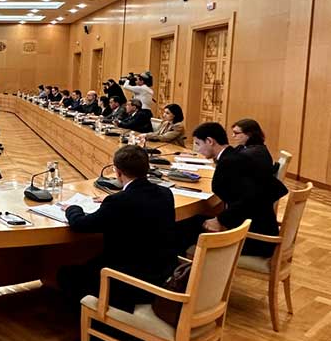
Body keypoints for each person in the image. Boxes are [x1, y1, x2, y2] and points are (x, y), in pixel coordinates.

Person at [57, 145, 176, 312]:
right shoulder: (165, 193)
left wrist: (72, 208)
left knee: (67, 275)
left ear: (118, 173)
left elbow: (80, 225)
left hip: (128, 280)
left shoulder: (119, 202)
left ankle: (96, 329)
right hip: (162, 273)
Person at [177, 122, 288, 257]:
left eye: (198, 144)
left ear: (210, 141)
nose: (197, 150)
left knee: (179, 229)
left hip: (254, 238)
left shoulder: (230, 162)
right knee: (188, 223)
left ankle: (184, 274)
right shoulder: (234, 156)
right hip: (251, 227)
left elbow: (253, 198)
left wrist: (221, 220)